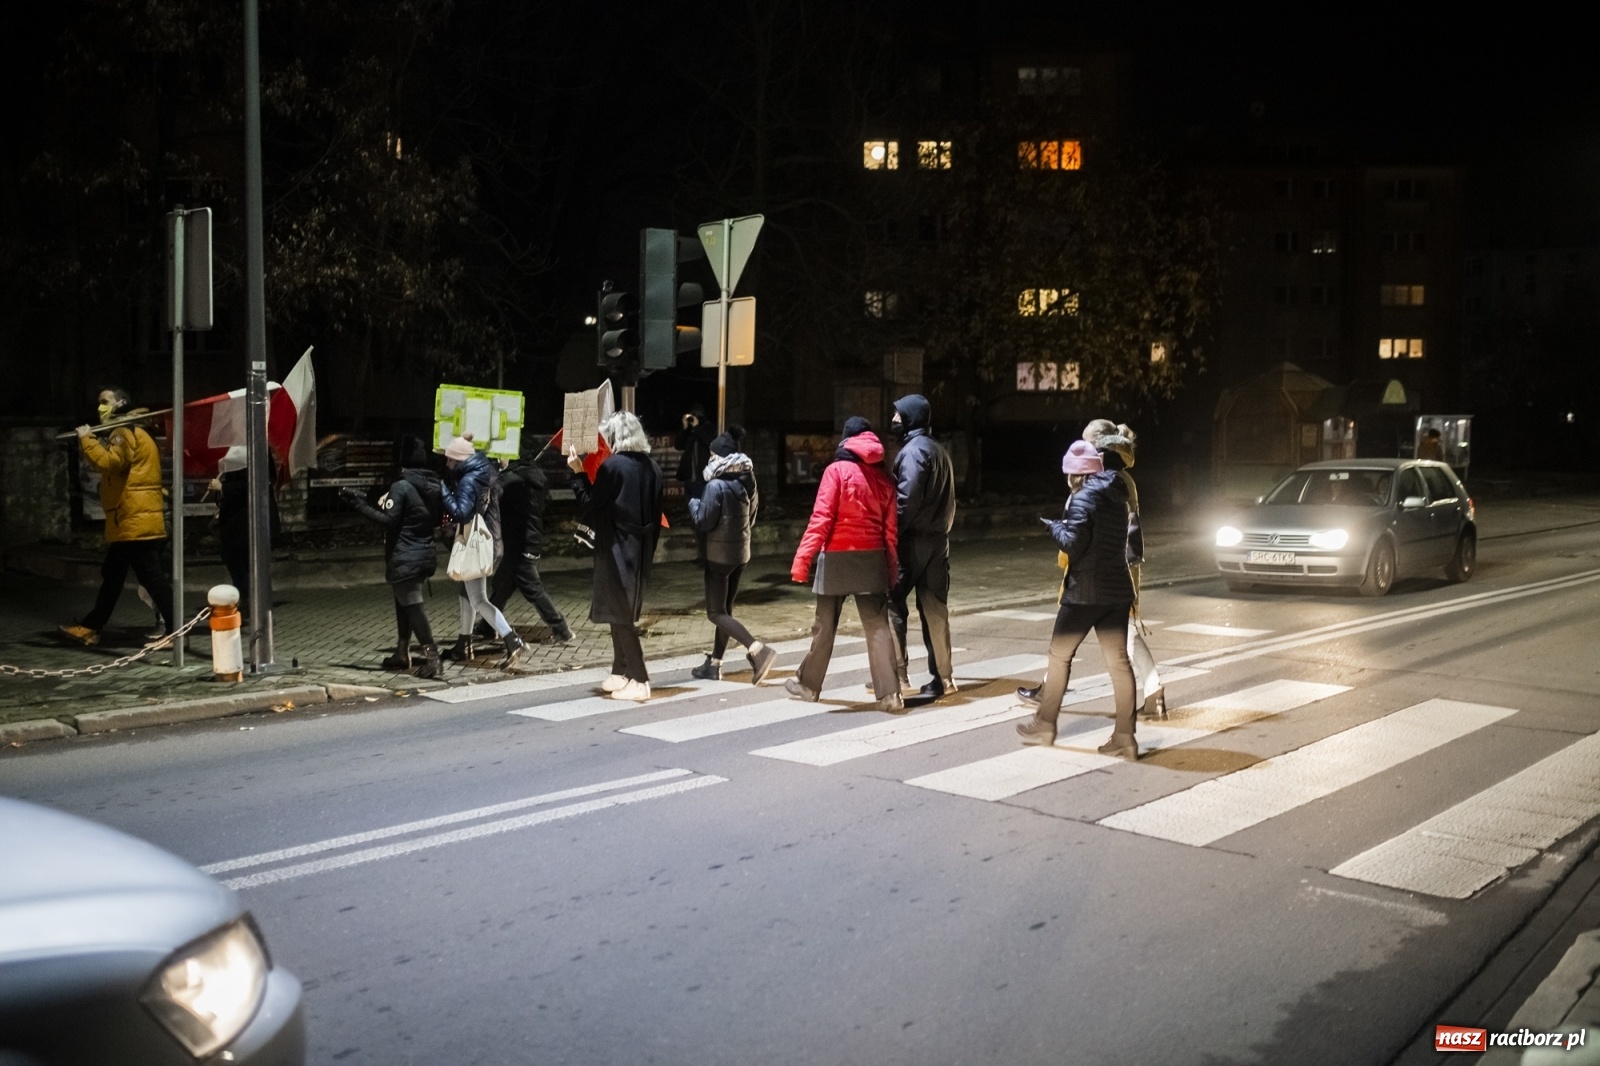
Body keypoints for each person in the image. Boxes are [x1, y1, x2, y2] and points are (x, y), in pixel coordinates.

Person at [1016, 438, 1141, 759]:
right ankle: (1125, 736)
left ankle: (1045, 725)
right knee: (1119, 664)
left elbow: (1073, 543)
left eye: (1069, 474)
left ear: (1078, 475)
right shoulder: (1118, 497)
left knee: (1059, 657)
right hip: (1117, 590)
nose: (1067, 480)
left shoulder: (1084, 497)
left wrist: (1053, 526)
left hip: (1085, 593)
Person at [786, 416, 903, 712]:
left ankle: (809, 686)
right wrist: (891, 570)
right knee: (877, 627)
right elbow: (890, 533)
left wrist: (802, 559)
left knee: (824, 626)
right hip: (872, 559)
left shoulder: (835, 471)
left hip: (836, 557)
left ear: (846, 441)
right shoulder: (885, 479)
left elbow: (822, 518)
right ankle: (890, 695)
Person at [58, 387, 175, 647]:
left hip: (134, 519)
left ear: (121, 403)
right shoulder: (136, 429)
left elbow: (110, 462)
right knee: (114, 574)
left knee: (151, 577)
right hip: (130, 518)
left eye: (105, 401)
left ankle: (177, 634)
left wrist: (87, 439)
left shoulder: (124, 431)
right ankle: (91, 627)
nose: (100, 407)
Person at [567, 411, 663, 701]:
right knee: (619, 609)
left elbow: (591, 505)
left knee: (619, 613)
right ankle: (620, 671)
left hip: (616, 546)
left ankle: (639, 679)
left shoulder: (613, 467)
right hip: (642, 547)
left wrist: (578, 473)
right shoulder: (653, 467)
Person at [340, 435, 445, 678]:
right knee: (404, 602)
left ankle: (433, 658)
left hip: (405, 553)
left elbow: (389, 520)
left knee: (413, 604)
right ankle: (401, 652)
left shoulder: (402, 485)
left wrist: (358, 505)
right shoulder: (432, 485)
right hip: (424, 551)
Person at [688, 428, 778, 684]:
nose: (710, 458)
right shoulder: (746, 482)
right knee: (726, 610)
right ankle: (714, 664)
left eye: (712, 454)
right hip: (741, 554)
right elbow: (751, 518)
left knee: (715, 612)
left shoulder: (715, 485)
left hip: (718, 556)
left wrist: (693, 503)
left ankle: (758, 650)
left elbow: (703, 522)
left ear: (720, 456)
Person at [886, 393, 957, 699]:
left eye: (899, 416)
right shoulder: (940, 452)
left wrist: (891, 533)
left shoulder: (913, 452)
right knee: (935, 610)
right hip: (939, 541)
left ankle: (897, 677)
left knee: (892, 602)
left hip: (912, 542)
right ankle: (944, 678)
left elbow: (906, 500)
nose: (894, 421)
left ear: (912, 418)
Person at [439, 432, 527, 668]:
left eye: (450, 460)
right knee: (466, 593)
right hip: (489, 542)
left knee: (478, 599)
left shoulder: (469, 481)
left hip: (476, 544)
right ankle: (464, 643)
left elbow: (461, 513)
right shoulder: (483, 473)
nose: (447, 464)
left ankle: (512, 640)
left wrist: (443, 492)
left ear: (459, 460)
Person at [483, 450, 574, 645]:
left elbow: (491, 494)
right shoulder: (536, 479)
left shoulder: (510, 479)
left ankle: (561, 629)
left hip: (518, 542)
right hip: (529, 539)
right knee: (502, 585)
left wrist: (497, 470)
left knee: (533, 589)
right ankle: (486, 625)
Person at [210, 445, 281, 612]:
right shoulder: (237, 447)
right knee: (235, 558)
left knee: (247, 562)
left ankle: (254, 602)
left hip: (246, 519)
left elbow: (255, 483)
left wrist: (223, 488)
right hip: (236, 519)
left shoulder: (255, 447)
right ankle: (248, 598)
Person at [675, 405, 715, 566]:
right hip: (691, 481)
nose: (692, 420)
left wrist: (697, 427)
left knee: (705, 519)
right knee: (696, 520)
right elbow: (678, 445)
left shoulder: (708, 429)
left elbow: (710, 443)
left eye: (694, 417)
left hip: (703, 482)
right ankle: (702, 554)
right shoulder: (691, 432)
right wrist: (685, 429)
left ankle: (708, 556)